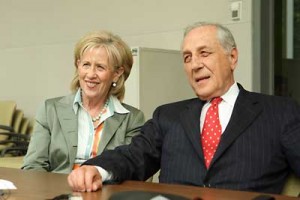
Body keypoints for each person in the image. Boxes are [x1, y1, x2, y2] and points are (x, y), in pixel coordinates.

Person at [67, 22, 300, 194]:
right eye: (187, 57)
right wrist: (97, 169)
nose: (195, 64)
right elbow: (133, 156)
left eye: (204, 53)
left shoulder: (280, 112)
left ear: (232, 57)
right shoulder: (168, 116)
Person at [22, 30, 145, 173]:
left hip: (106, 192)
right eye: (86, 64)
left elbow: (132, 169)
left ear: (117, 74)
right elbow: (33, 166)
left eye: (100, 67)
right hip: (56, 192)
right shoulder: (50, 110)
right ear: (78, 65)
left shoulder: (132, 119)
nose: (91, 74)